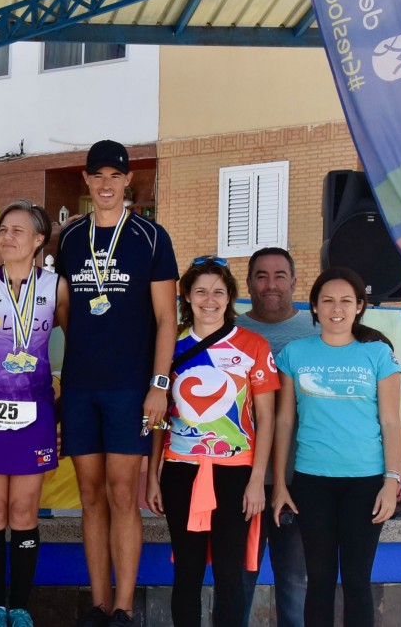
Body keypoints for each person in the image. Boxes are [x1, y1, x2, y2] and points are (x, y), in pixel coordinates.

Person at [55, 139, 178, 627]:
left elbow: (167, 319)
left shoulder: (151, 236)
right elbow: (64, 308)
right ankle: (99, 605)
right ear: (86, 179)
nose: (106, 185)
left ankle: (124, 609)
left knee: (123, 493)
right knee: (90, 495)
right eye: (98, 175)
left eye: (115, 176)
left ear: (128, 181)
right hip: (81, 387)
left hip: (131, 387)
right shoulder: (69, 237)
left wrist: (159, 384)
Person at [145, 256, 277, 627]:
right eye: (201, 291)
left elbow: (267, 419)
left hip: (236, 474)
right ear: (187, 295)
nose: (209, 299)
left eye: (218, 292)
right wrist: (153, 476)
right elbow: (158, 418)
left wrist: (257, 480)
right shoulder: (168, 346)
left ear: (230, 297)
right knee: (186, 572)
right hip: (180, 471)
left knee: (229, 573)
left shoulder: (253, 345)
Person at [271, 267, 401, 627]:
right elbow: (284, 422)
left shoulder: (378, 354)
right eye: (327, 300)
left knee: (357, 581)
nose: (336, 308)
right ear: (314, 306)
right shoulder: (295, 354)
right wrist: (280, 484)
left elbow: (392, 422)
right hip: (312, 481)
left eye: (346, 300)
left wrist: (391, 482)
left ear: (359, 306)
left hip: (366, 482)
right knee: (319, 581)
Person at [0, 202, 69, 627]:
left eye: (17, 231)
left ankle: (19, 607)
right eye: (3, 229)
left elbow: (75, 342)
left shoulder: (56, 287)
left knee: (23, 512)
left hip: (35, 409)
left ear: (39, 240)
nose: (6, 237)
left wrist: (65, 399)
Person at [234, 247, 314, 627]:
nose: (271, 284)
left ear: (294, 282)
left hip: (300, 477)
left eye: (280, 276)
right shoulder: (229, 331)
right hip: (239, 476)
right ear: (249, 283)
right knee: (238, 579)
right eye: (261, 276)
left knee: (295, 581)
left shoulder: (318, 331)